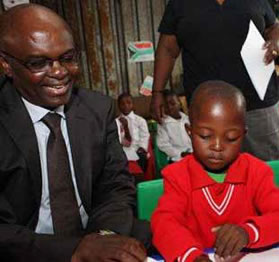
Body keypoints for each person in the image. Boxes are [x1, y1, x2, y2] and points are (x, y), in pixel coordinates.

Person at [0, 4, 150, 262]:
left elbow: (116, 188)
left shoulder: (98, 109)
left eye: (67, 58)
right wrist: (72, 252)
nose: (59, 72)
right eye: (38, 63)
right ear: (6, 65)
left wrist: (103, 240)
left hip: (92, 236)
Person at [151, 81, 279, 262]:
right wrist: (191, 256)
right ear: (189, 131)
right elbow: (164, 223)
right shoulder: (178, 176)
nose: (217, 146)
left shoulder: (257, 172)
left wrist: (248, 232)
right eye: (205, 136)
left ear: (244, 134)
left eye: (231, 138)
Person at [150, 0, 279, 161]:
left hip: (258, 103)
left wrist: (275, 42)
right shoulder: (180, 3)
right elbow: (168, 49)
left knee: (266, 170)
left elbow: (273, 27)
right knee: (215, 173)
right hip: (208, 109)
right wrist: (157, 92)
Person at [116, 93, 150, 175]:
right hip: (124, 150)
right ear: (119, 106)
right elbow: (119, 138)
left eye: (128, 103)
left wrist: (142, 147)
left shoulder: (140, 120)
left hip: (137, 149)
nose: (126, 106)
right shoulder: (116, 121)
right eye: (122, 104)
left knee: (142, 158)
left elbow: (145, 136)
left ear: (133, 104)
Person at [156, 90, 192, 162]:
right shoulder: (164, 124)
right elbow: (163, 144)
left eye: (172, 103)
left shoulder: (188, 120)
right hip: (177, 159)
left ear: (179, 103)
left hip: (193, 155)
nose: (169, 107)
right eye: (166, 105)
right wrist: (180, 154)